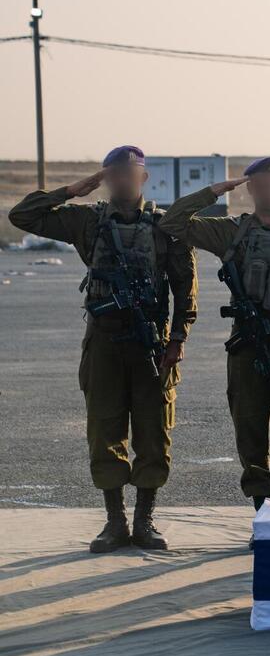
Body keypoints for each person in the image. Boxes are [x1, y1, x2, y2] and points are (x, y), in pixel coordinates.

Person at [8, 146, 197, 552]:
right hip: (104, 342)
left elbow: (186, 287)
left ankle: (145, 520)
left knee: (153, 432)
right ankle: (115, 522)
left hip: (152, 343)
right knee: (104, 431)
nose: (123, 180)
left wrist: (178, 339)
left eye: (130, 173)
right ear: (106, 178)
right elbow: (22, 216)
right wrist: (72, 190)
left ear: (143, 178)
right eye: (114, 173)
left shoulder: (166, 227)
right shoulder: (87, 221)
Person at [158, 157, 270, 513]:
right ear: (251, 189)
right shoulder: (232, 231)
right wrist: (212, 191)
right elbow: (172, 222)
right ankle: (262, 510)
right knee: (250, 426)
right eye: (262, 183)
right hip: (248, 343)